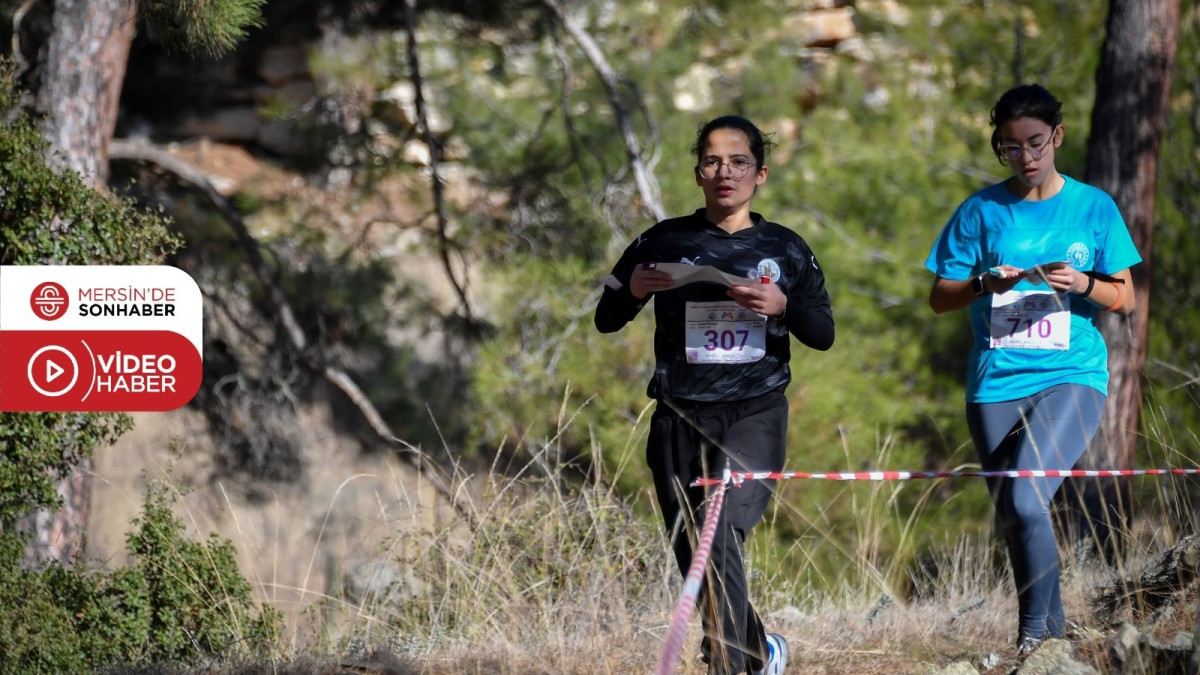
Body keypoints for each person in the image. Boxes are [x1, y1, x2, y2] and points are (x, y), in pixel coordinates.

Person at [594, 115, 834, 674]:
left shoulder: (785, 247)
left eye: (738, 162)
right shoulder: (662, 240)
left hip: (756, 412)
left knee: (717, 523)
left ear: (760, 174)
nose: (724, 172)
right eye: (712, 161)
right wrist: (631, 289)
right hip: (677, 416)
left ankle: (727, 665)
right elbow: (606, 318)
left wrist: (783, 308)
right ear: (698, 172)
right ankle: (758, 653)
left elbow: (822, 333)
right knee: (696, 558)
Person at [924, 84, 1141, 656]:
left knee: (1025, 497)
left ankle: (1038, 639)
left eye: (1035, 143)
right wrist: (983, 283)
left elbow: (1127, 299)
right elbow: (940, 297)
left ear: (1057, 137)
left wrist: (1083, 283)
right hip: (995, 382)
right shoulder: (980, 210)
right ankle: (1049, 640)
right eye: (1010, 147)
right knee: (1017, 514)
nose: (1025, 157)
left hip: (1071, 373)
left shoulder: (1093, 207)